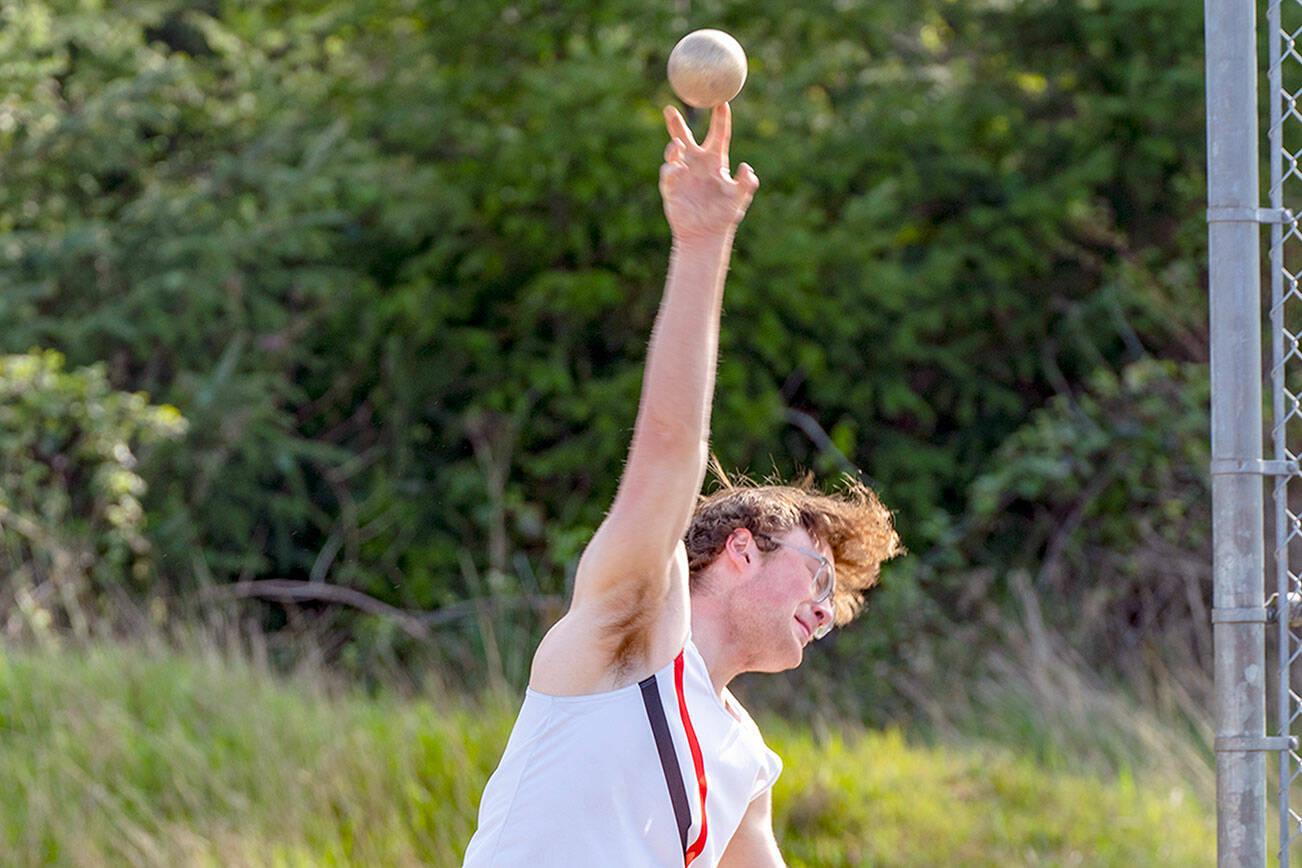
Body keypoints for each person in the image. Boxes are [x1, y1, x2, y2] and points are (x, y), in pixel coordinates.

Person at [462, 103, 901, 867]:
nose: (825, 608)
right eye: (817, 572)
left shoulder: (746, 761)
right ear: (740, 550)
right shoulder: (628, 628)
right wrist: (702, 243)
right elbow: (670, 450)